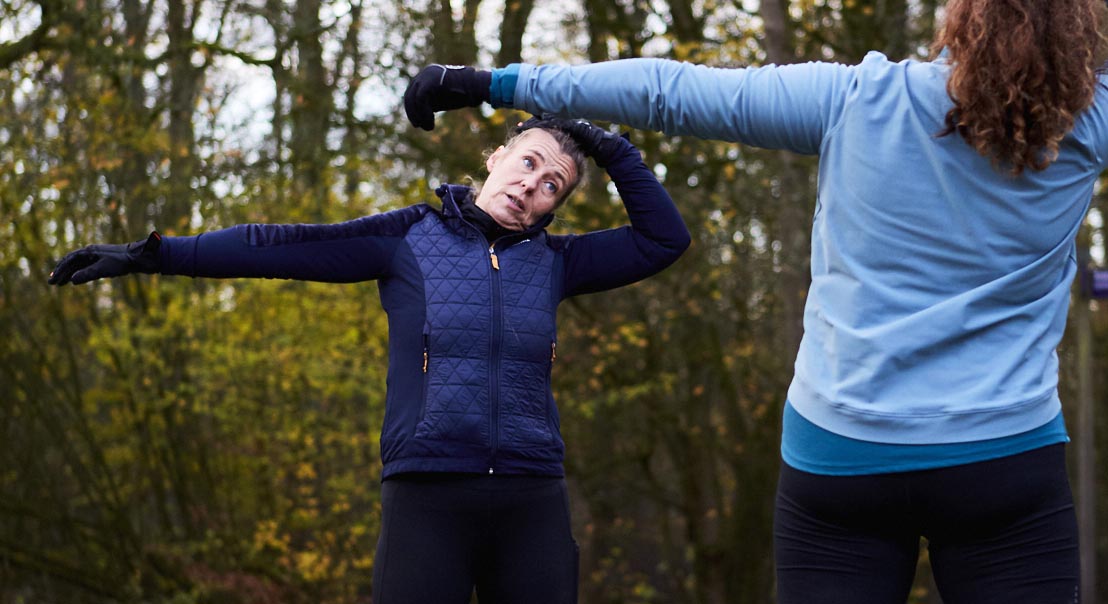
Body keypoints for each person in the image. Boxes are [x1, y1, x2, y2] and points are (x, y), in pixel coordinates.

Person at [404, 1, 1105, 602]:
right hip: (1004, 457)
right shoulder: (1091, 119)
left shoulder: (860, 97)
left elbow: (671, 91)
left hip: (842, 455)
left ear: (963, 19)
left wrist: (489, 82)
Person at [48, 116, 691, 603]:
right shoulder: (406, 238)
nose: (531, 186)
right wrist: (151, 253)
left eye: (552, 185)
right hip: (427, 497)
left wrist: (608, 147)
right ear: (494, 159)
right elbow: (276, 247)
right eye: (526, 164)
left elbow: (665, 238)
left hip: (532, 500)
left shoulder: (559, 262)